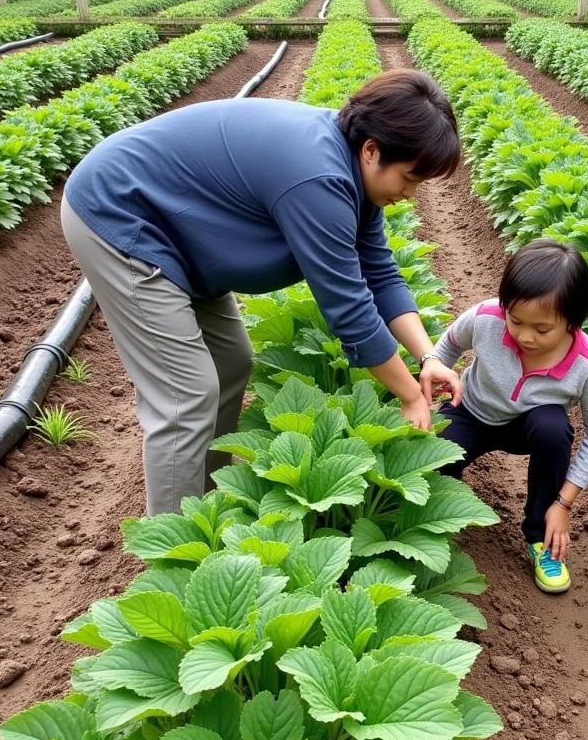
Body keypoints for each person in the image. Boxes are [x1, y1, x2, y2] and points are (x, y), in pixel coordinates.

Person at [60, 68, 462, 516]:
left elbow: (380, 274)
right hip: (122, 215)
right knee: (185, 393)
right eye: (409, 178)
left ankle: (205, 508)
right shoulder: (319, 179)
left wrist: (428, 357)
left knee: (231, 363)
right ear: (372, 150)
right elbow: (348, 308)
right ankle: (172, 550)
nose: (410, 193)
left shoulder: (355, 176)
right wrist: (409, 396)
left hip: (184, 235)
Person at [431, 239, 588, 594]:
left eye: (542, 329)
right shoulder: (486, 318)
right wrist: (438, 381)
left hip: (528, 427)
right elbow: (447, 346)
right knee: (438, 452)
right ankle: (444, 513)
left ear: (572, 322)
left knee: (553, 428)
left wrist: (563, 504)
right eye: (515, 320)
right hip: (472, 410)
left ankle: (540, 537)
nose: (525, 336)